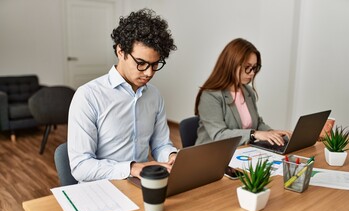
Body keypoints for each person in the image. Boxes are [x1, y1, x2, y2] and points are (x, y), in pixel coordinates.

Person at [67, 9, 178, 182]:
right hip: (102, 188)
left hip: (141, 183)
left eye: (155, 64)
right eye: (141, 63)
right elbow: (81, 167)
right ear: (121, 51)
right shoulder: (88, 96)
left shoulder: (154, 96)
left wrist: (171, 155)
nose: (149, 73)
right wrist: (131, 168)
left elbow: (161, 144)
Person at [195, 38, 291, 146]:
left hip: (242, 151)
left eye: (254, 68)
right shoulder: (210, 95)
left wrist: (271, 133)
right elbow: (219, 135)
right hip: (214, 154)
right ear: (231, 64)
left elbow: (257, 124)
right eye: (247, 67)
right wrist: (253, 134)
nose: (252, 73)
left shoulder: (247, 91)